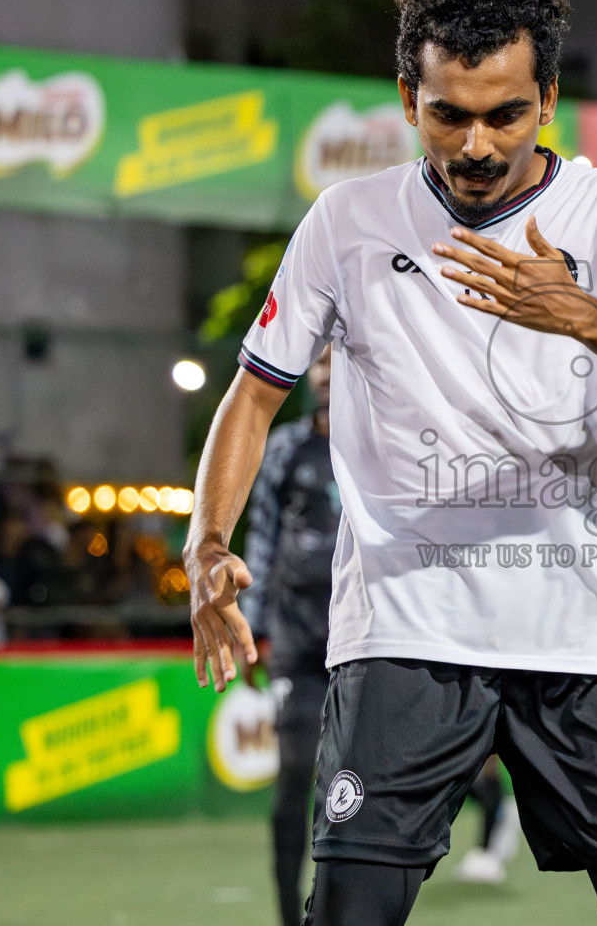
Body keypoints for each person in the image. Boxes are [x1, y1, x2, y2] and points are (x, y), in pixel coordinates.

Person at [184, 0, 597, 926]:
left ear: (548, 101)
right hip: (406, 629)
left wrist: (580, 315)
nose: (477, 143)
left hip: (591, 631)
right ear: (408, 98)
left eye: (505, 114)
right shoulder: (346, 221)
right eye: (450, 114)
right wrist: (207, 545)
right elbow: (255, 391)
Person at [239, 349, 341, 926]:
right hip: (299, 645)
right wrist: (253, 623)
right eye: (318, 363)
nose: (325, 373)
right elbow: (264, 535)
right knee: (295, 779)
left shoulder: (381, 443)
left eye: (334, 361)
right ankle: (287, 916)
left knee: (350, 793)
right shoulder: (284, 447)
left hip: (365, 642)